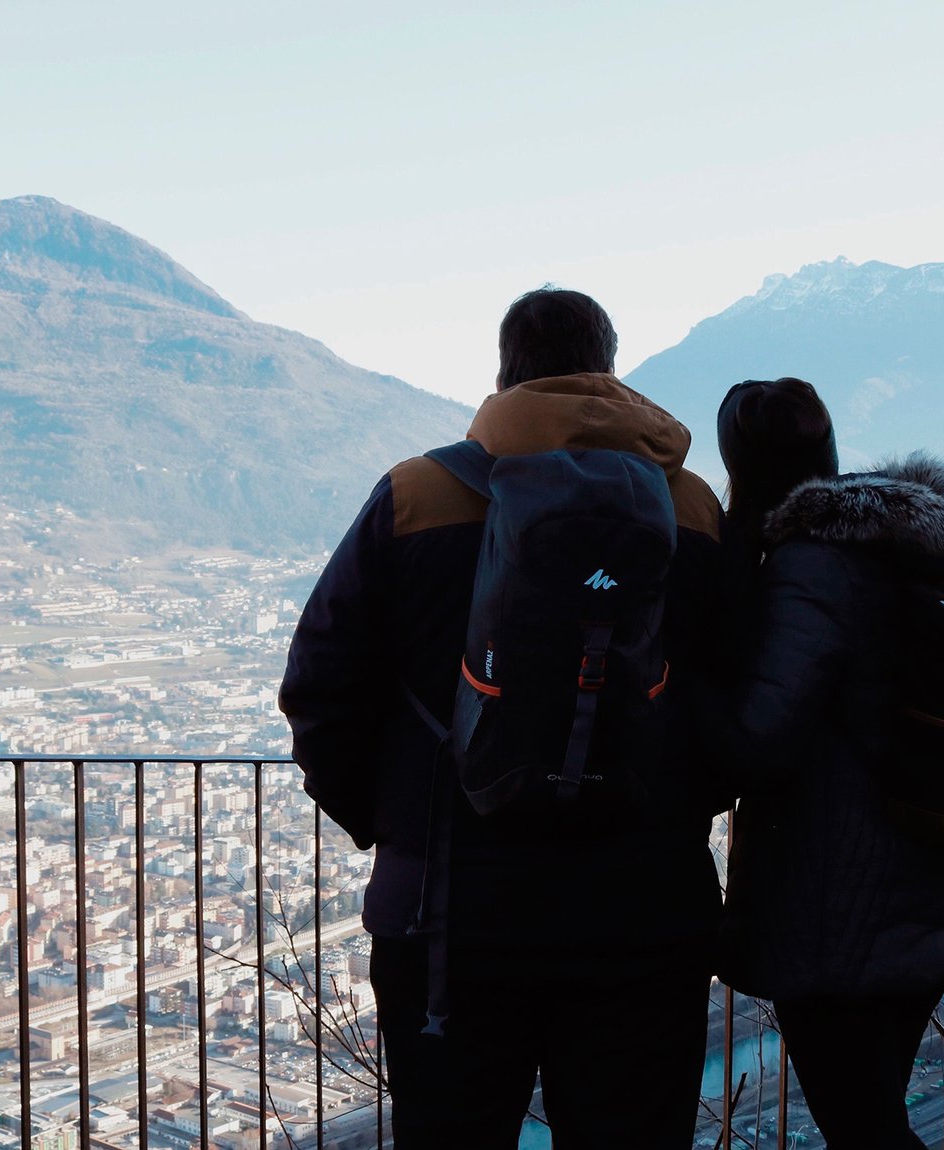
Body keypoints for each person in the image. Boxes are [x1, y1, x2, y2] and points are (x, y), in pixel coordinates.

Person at [280, 288, 729, 1148]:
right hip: (643, 911)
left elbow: (319, 684)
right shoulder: (692, 508)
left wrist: (397, 821)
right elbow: (728, 691)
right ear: (609, 368)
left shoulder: (417, 493)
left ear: (504, 368)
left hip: (451, 915)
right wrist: (669, 807)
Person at [710, 378, 944, 1150]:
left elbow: (759, 740)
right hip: (928, 877)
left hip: (842, 907)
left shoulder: (813, 568)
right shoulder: (898, 547)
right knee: (873, 1115)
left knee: (860, 1124)